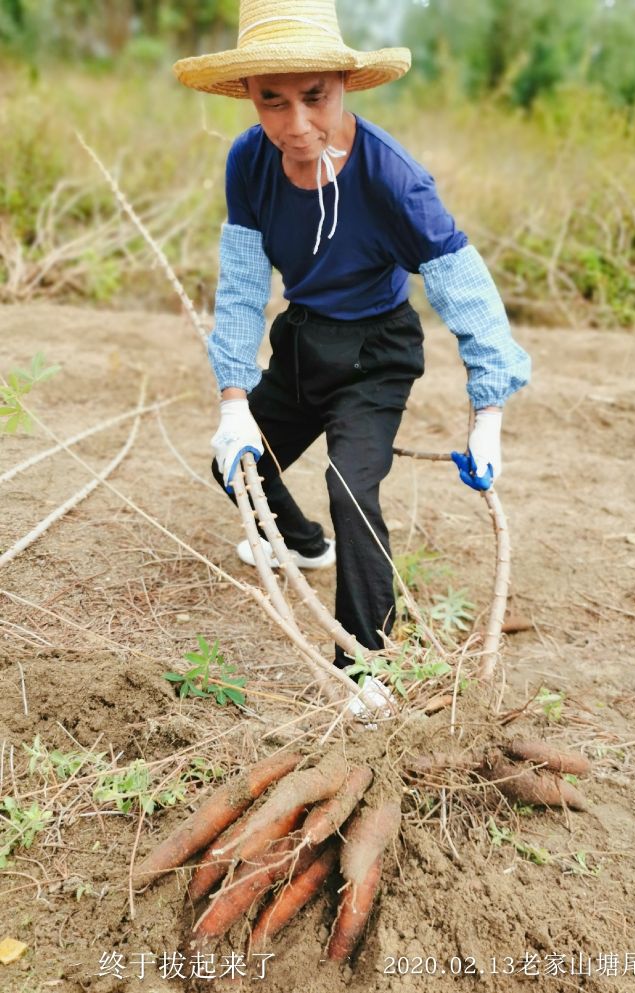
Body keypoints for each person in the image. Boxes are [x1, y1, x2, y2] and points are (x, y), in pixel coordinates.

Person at [173, 0, 531, 701]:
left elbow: (466, 291)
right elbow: (244, 284)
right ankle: (303, 544)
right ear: (247, 95)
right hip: (305, 340)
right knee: (238, 467)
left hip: (377, 351)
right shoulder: (249, 162)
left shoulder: (393, 178)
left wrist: (488, 410)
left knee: (351, 489)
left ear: (344, 81)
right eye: (271, 100)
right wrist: (233, 399)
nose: (297, 124)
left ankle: (366, 664)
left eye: (315, 97)